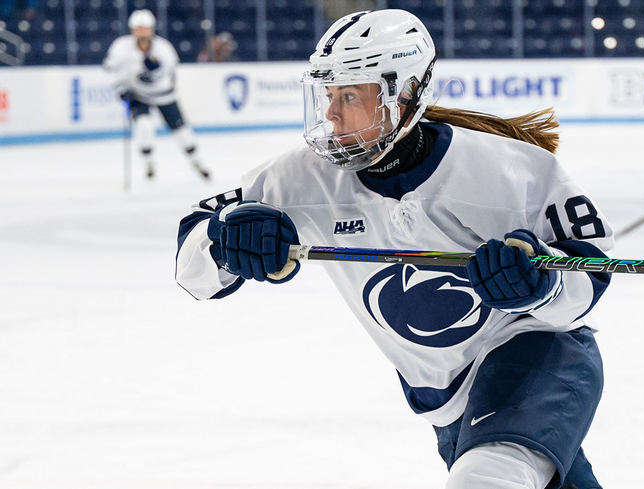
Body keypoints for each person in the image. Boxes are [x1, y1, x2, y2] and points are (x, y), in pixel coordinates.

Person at [174, 10, 610, 489]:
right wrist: (224, 241)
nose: (331, 114)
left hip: (540, 354)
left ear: (404, 94)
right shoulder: (297, 179)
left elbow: (590, 266)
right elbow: (192, 265)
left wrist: (544, 283)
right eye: (328, 95)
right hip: (447, 402)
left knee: (487, 479)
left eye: (349, 96)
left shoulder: (508, 169)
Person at [104, 9, 209, 180]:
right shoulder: (121, 47)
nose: (142, 32)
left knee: (182, 131)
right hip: (138, 94)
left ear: (152, 29)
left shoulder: (164, 48)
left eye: (145, 28)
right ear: (132, 29)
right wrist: (121, 89)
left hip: (164, 94)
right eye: (138, 28)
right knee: (144, 126)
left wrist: (155, 74)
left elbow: (171, 74)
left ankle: (196, 161)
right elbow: (110, 69)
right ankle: (149, 162)